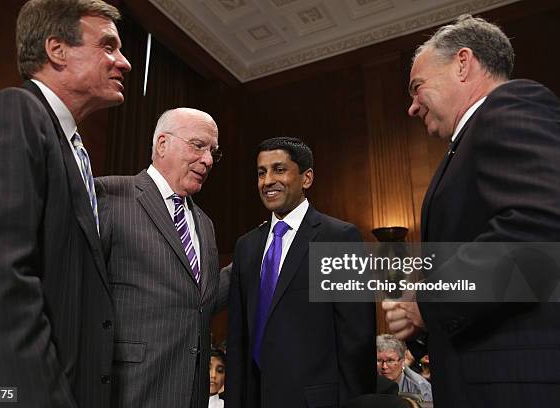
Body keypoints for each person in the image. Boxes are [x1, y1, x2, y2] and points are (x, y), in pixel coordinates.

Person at [0, 0, 131, 406]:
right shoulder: (11, 114)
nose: (124, 62)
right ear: (57, 50)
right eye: (108, 46)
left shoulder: (66, 145)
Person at [382, 14, 560, 407]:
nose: (412, 107)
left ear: (463, 63)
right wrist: (419, 317)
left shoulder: (511, 105)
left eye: (417, 87)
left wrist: (426, 299)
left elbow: (541, 230)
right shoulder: (465, 144)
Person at [226, 137, 376, 408]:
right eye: (261, 172)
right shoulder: (245, 246)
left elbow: (357, 339)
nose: (267, 180)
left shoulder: (338, 238)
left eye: (279, 169)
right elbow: (238, 341)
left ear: (306, 178)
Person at [95, 108, 229, 408]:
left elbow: (197, 301)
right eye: (198, 145)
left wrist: (258, 252)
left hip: (191, 394)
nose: (207, 160)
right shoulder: (110, 195)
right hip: (128, 391)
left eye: (213, 153)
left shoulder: (205, 224)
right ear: (162, 144)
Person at [376, 335, 432, 402]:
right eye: (379, 360)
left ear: (403, 361)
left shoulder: (421, 388)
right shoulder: (365, 383)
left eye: (390, 360)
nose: (384, 366)